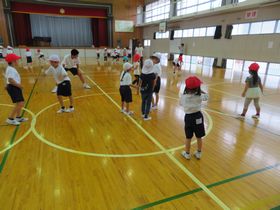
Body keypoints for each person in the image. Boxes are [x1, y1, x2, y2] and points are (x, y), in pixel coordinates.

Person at [180, 76, 208, 160]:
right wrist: (201, 92)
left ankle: (187, 153)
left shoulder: (183, 96)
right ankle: (199, 153)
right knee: (199, 136)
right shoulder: (199, 96)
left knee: (188, 137)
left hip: (188, 117)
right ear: (198, 88)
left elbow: (180, 103)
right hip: (198, 116)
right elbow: (206, 96)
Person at [4, 53, 28, 126]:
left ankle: (18, 117)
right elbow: (10, 79)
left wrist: (7, 85)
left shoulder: (10, 68)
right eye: (16, 60)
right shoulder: (11, 69)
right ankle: (10, 119)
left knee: (20, 102)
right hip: (13, 87)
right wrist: (19, 86)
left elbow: (8, 79)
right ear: (13, 61)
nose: (17, 61)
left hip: (13, 87)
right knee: (20, 103)